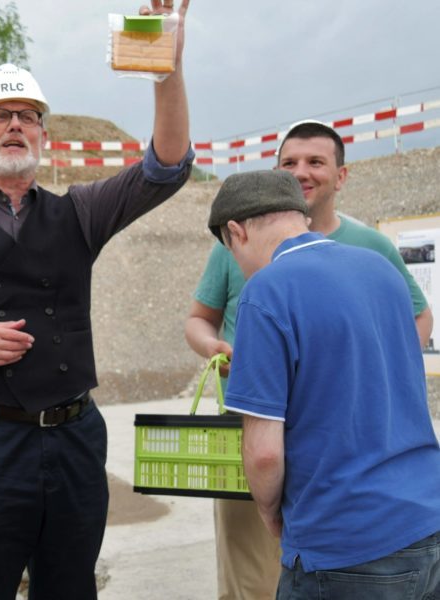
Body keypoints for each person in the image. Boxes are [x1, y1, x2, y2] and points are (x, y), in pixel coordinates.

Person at [0, 1, 192, 596]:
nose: (15, 124)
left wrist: (166, 70)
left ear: (44, 134)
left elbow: (165, 167)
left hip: (74, 441)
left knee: (71, 588)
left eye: (28, 115)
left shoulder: (80, 212)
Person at [183, 119, 433, 599]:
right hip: (425, 522)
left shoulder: (266, 290)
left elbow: (265, 451)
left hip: (340, 543)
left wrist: (271, 511)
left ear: (236, 232)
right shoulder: (379, 267)